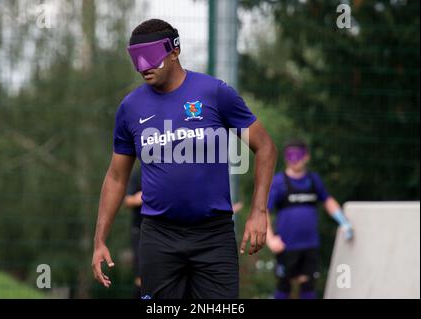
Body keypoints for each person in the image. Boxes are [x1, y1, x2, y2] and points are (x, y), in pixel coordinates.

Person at [91, 19, 277, 299]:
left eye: (150, 55)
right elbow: (117, 177)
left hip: (214, 236)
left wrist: (258, 211)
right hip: (158, 237)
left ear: (174, 51)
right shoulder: (130, 108)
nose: (143, 65)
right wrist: (99, 239)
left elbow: (265, 147)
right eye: (135, 58)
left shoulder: (214, 93)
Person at [266, 138, 353, 299]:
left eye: (297, 155)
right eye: (289, 155)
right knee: (284, 285)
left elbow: (327, 200)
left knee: (309, 285)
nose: (294, 160)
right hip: (286, 246)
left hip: (310, 244)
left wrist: (343, 221)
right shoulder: (278, 182)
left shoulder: (313, 180)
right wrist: (270, 239)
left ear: (306, 156)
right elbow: (263, 212)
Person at [122, 163, 143, 298]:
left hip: (166, 231)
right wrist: (140, 198)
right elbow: (127, 200)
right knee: (141, 277)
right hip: (140, 230)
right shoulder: (138, 173)